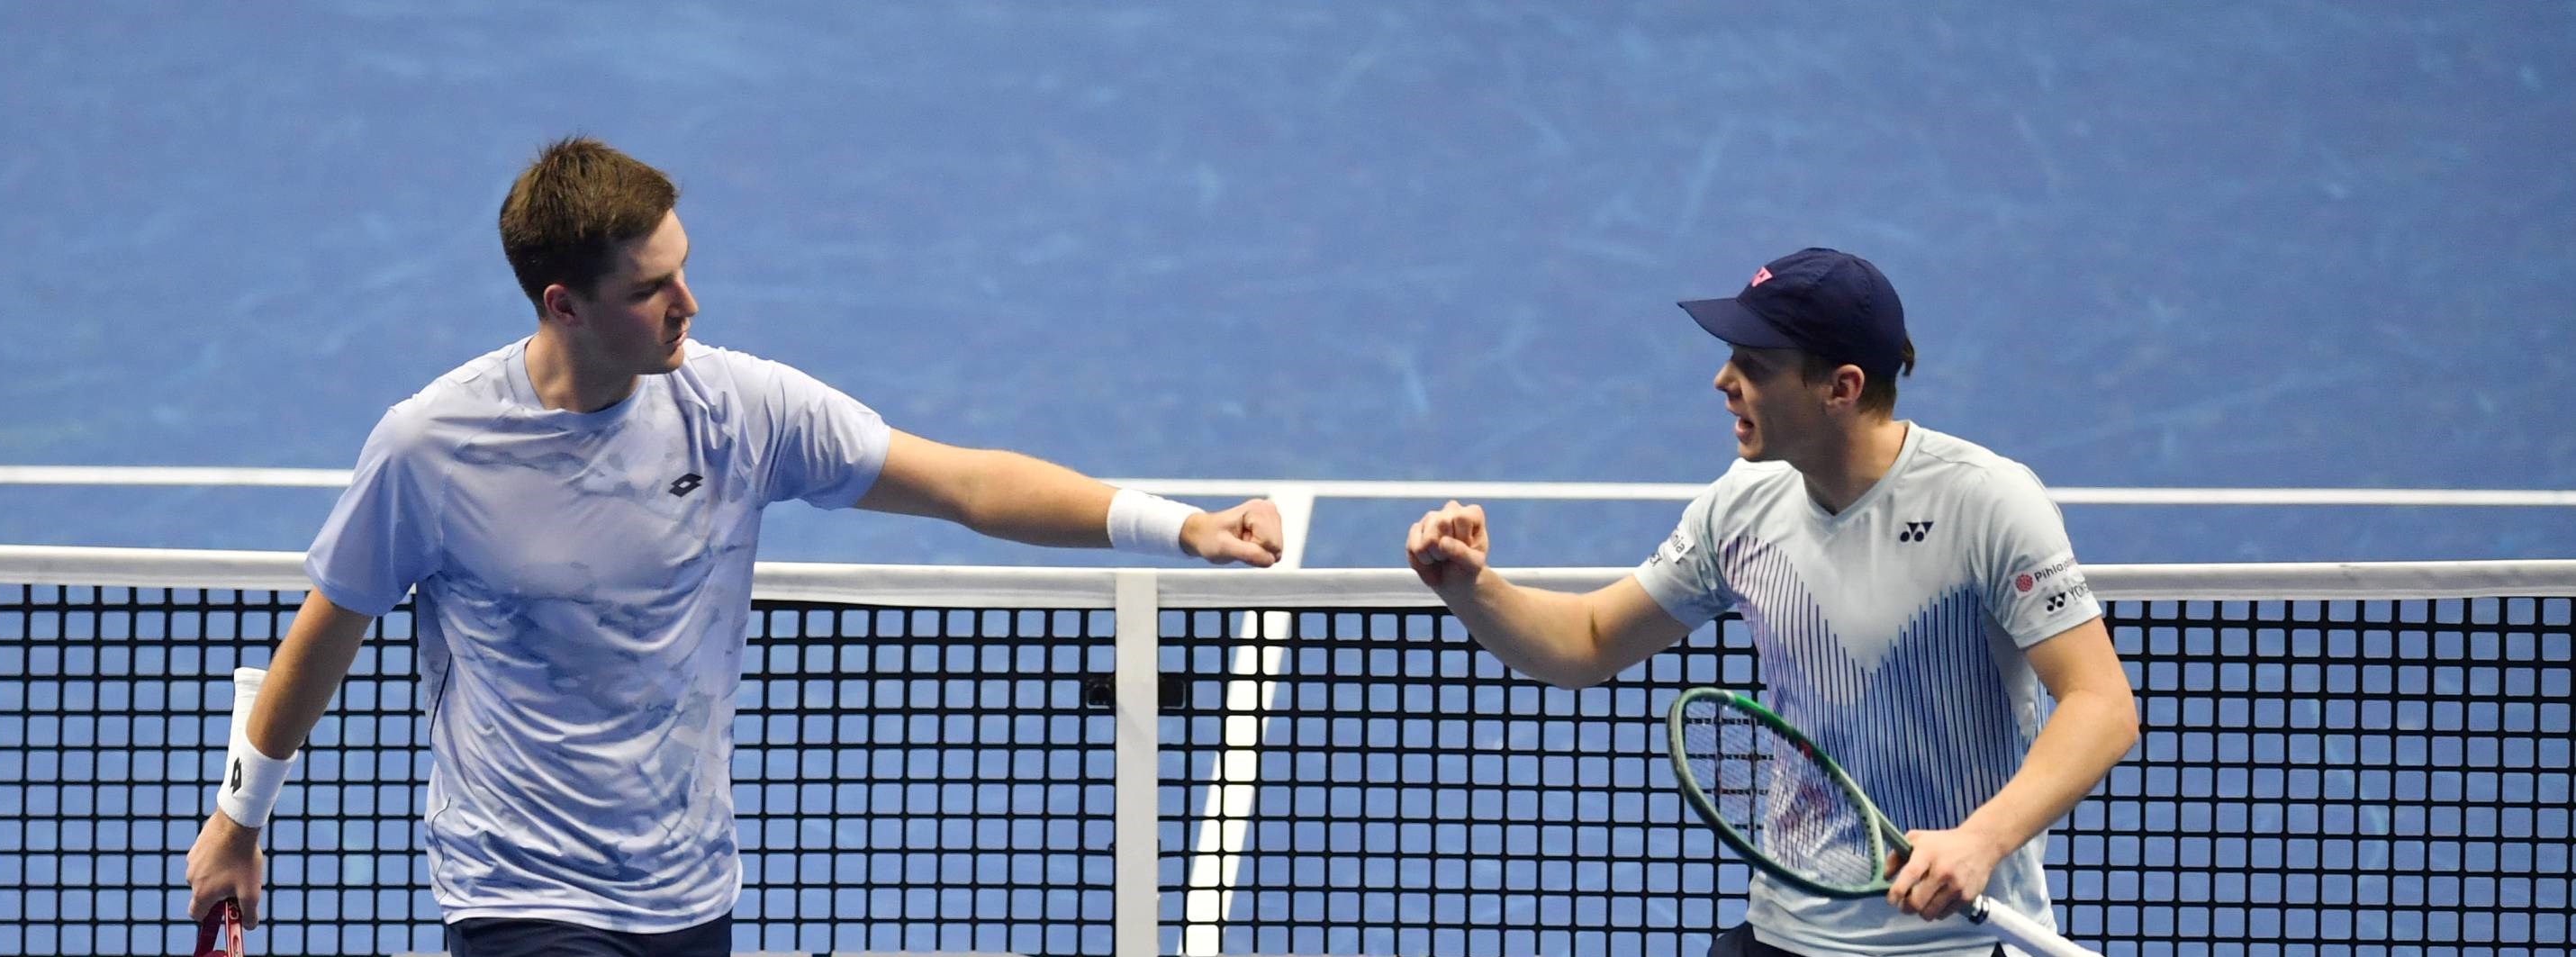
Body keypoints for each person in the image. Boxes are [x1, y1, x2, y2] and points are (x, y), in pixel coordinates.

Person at [183, 136, 1284, 957]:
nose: (688, 303)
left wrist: (1178, 523)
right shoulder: (431, 447)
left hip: (689, 888)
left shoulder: (741, 409)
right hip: (519, 893)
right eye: (651, 286)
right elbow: (327, 628)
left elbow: (966, 481)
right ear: (564, 305)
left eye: (683, 266)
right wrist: (239, 820)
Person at [1404, 248, 2138, 957]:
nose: (1723, 379)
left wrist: (1980, 838)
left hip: (1959, 942)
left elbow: (2100, 704)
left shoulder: (1985, 501)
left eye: (1754, 365)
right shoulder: (1743, 503)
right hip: (1783, 931)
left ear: (1840, 387)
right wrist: (1472, 588)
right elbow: (1589, 641)